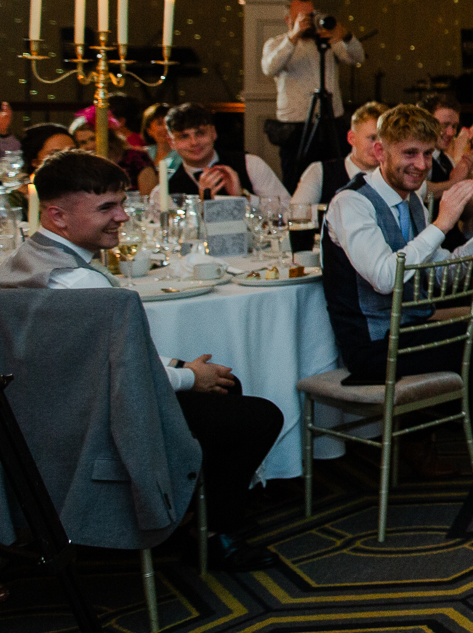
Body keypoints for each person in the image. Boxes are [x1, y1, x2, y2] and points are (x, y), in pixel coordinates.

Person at [1, 150, 283, 569]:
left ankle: (195, 516)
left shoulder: (27, 261)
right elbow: (123, 374)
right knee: (258, 415)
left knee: (225, 390)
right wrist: (190, 378)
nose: (122, 217)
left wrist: (186, 369)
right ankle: (210, 531)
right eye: (107, 208)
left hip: (42, 417)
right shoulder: (82, 283)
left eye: (120, 203)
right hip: (94, 426)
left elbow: (105, 352)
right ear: (58, 216)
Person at [323, 104, 473, 493]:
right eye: (409, 153)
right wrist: (442, 223)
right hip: (373, 343)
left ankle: (421, 438)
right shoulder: (350, 203)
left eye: (426, 153)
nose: (421, 165)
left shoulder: (408, 199)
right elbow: (387, 279)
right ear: (379, 153)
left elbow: (436, 271)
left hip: (411, 326)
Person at [260, 0, 364, 188]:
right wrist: (294, 36)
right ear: (288, 19)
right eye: (302, 16)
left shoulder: (327, 43)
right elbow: (269, 68)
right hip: (296, 126)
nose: (309, 20)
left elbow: (357, 57)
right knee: (295, 178)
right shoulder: (277, 43)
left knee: (335, 175)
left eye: (311, 15)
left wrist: (345, 36)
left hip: (331, 122)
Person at [152, 103, 288, 206]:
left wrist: (243, 197)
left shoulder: (250, 164)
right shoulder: (163, 192)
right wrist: (200, 205)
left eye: (200, 133)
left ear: (213, 133)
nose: (194, 143)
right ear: (171, 142)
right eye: (184, 137)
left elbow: (290, 210)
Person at [291, 102, 386, 209]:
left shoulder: (393, 178)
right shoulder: (320, 172)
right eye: (372, 138)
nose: (378, 147)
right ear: (351, 138)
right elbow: (296, 215)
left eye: (384, 141)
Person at [425, 94, 473, 196]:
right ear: (427, 123)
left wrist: (468, 172)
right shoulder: (420, 159)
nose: (451, 132)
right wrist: (455, 183)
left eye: (454, 126)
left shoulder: (447, 160)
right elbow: (420, 192)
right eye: (444, 125)